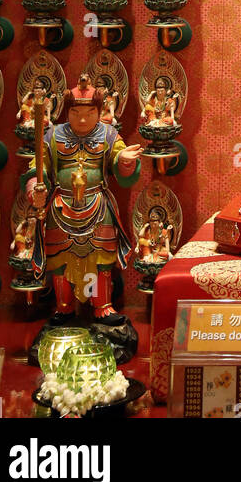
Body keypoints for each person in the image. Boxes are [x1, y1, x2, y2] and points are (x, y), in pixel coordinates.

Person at [27, 77, 141, 320]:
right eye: (75, 113)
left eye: (89, 114)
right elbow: (38, 167)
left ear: (99, 112)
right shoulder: (52, 135)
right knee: (59, 259)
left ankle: (102, 306)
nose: (81, 120)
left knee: (100, 259)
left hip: (97, 205)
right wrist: (35, 188)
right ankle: (64, 307)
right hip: (61, 206)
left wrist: (125, 162)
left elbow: (119, 164)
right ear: (66, 111)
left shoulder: (109, 135)